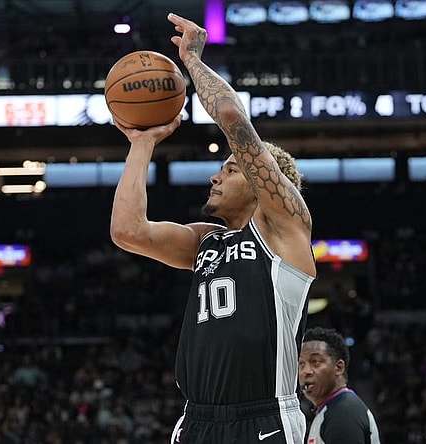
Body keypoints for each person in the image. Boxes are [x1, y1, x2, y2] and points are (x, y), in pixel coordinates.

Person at [109, 12, 317, 444]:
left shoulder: (285, 230)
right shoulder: (207, 240)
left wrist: (192, 61)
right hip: (197, 420)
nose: (215, 177)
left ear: (262, 183)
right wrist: (141, 143)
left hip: (263, 418)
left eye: (230, 169)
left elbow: (231, 117)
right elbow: (127, 231)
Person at [299, 326, 381, 444]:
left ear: (339, 368)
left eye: (315, 362)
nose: (305, 371)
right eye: (301, 364)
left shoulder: (344, 413)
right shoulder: (332, 409)